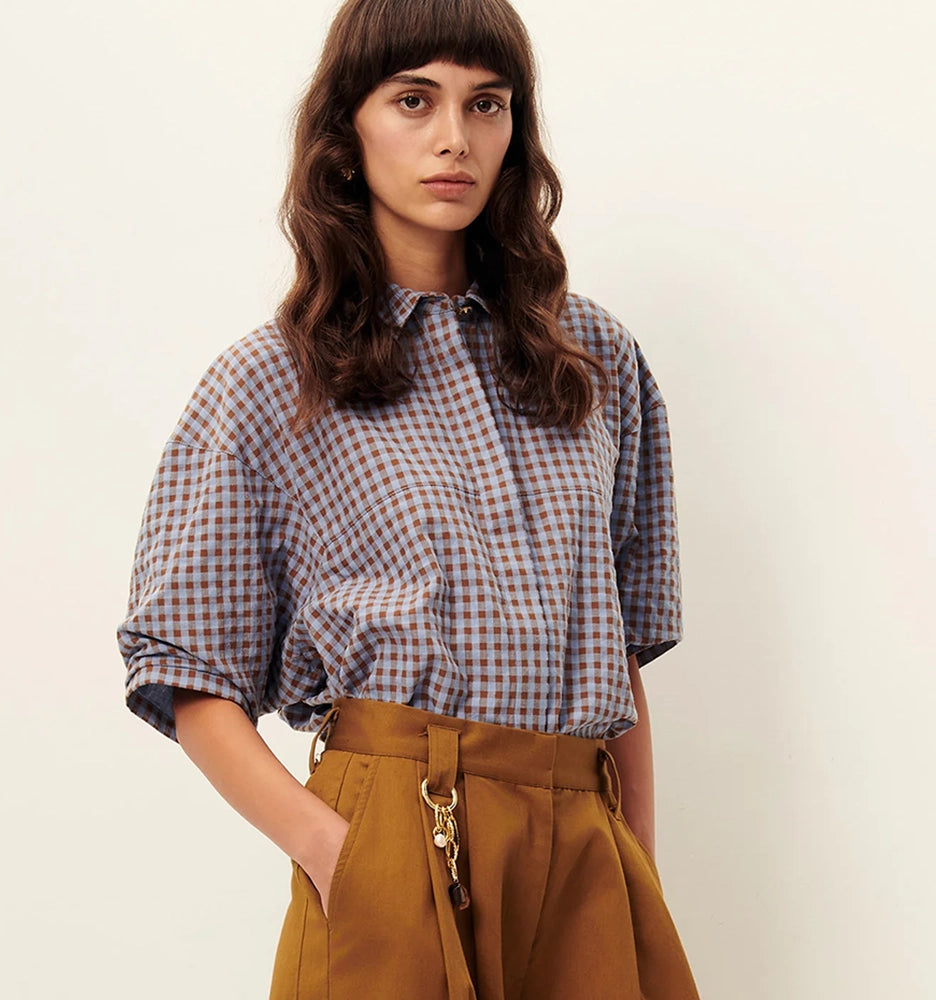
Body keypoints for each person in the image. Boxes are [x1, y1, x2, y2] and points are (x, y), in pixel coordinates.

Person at [116, 0, 701, 996]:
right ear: (347, 128)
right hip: (396, 823)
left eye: (486, 104)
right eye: (414, 100)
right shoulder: (272, 381)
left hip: (584, 842)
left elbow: (620, 646)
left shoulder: (593, 358)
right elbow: (186, 667)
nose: (454, 138)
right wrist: (338, 854)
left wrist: (637, 862)